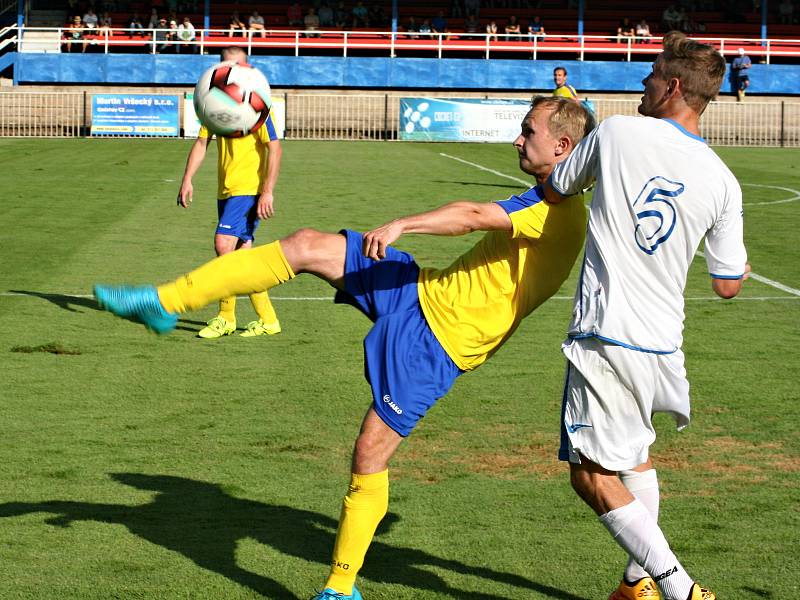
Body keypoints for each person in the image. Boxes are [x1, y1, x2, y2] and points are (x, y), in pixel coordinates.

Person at [94, 96, 595, 600]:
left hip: (439, 342)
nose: (517, 139)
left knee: (369, 454)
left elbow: (470, 214)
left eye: (527, 131)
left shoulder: (551, 208)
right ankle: (164, 302)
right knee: (307, 243)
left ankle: (341, 587)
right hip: (420, 290)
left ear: (562, 145)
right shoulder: (550, 199)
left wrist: (403, 223)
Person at [543, 31, 748, 600]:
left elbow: (558, 185)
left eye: (652, 74)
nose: (643, 80)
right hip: (663, 344)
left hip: (605, 334)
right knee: (634, 460)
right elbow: (727, 283)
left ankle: (680, 588)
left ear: (674, 87)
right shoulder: (723, 180)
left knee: (591, 474)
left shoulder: (617, 131)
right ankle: (637, 586)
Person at [186, 47, 285, 337]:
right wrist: (188, 178)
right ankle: (268, 319)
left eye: (236, 63)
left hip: (249, 189)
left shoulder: (257, 105)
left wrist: (267, 191)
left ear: (246, 66)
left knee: (223, 245)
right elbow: (202, 142)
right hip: (226, 189)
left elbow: (275, 148)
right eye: (226, 63)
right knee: (244, 255)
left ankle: (226, 316)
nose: (231, 68)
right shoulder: (215, 103)